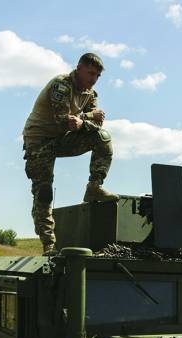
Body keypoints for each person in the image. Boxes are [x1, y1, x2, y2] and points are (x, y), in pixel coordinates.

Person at [23, 52, 116, 253]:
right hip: (39, 141)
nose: (93, 80)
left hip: (63, 139)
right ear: (79, 68)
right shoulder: (62, 84)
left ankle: (94, 187)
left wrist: (84, 121)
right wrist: (87, 117)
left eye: (97, 76)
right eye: (90, 73)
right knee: (44, 192)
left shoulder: (90, 94)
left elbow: (94, 125)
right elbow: (63, 120)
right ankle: (49, 245)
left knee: (103, 137)